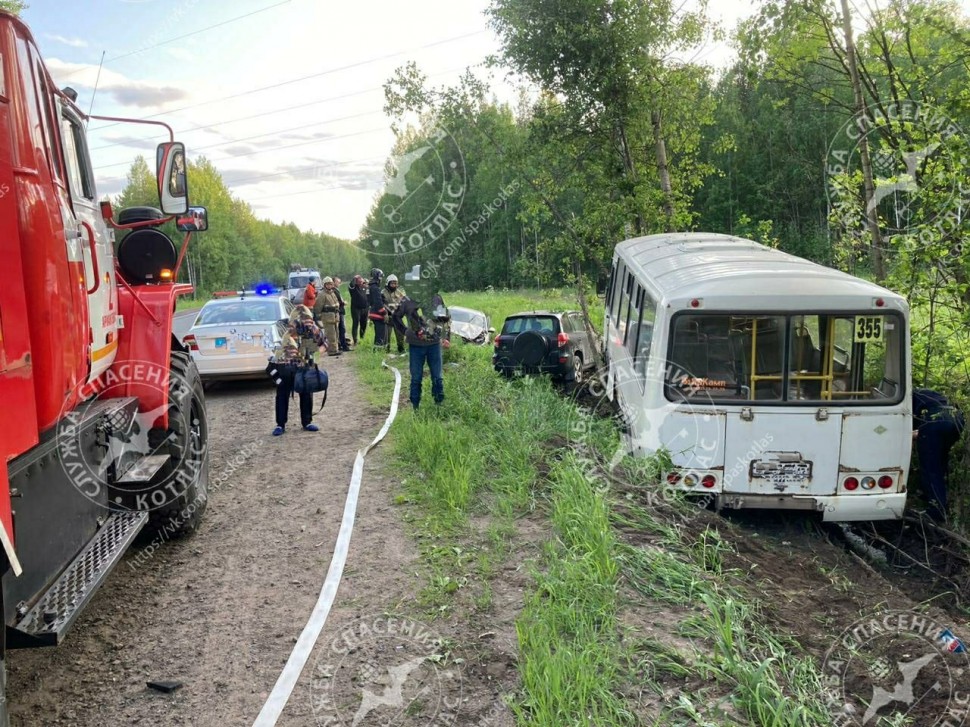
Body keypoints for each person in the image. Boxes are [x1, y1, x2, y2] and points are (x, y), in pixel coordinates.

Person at [270, 309, 328, 436]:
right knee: (282, 395)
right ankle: (280, 425)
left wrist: (316, 354)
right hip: (285, 367)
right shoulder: (282, 331)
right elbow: (274, 352)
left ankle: (307, 422)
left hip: (305, 367)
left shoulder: (312, 329)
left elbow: (324, 343)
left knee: (306, 393)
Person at [390, 291, 451, 411]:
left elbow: (447, 318)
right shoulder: (407, 300)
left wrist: (446, 337)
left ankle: (439, 405)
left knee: (437, 377)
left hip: (434, 344)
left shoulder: (436, 298)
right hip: (416, 345)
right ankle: (415, 406)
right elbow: (395, 316)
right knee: (416, 378)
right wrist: (405, 331)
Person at [912, 388, 965, 522]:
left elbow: (905, 419)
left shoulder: (907, 395)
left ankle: (936, 511)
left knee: (931, 468)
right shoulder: (931, 394)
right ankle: (934, 496)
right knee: (940, 460)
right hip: (956, 418)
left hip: (936, 421)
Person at [313, 277, 342, 357]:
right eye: (328, 284)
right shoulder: (322, 294)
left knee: (336, 334)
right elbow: (318, 307)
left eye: (331, 284)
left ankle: (335, 349)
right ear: (325, 285)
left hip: (334, 316)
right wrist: (319, 316)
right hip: (327, 317)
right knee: (330, 334)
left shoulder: (332, 293)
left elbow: (336, 302)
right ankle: (332, 351)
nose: (330, 286)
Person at [382, 274, 407, 354]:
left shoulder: (399, 292)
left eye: (395, 283)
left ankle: (401, 348)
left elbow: (404, 301)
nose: (394, 285)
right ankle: (387, 350)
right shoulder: (383, 292)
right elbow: (383, 304)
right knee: (387, 335)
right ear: (388, 283)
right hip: (388, 317)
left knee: (400, 334)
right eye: (392, 283)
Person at [368, 268, 388, 349]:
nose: (381, 279)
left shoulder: (370, 286)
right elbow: (378, 302)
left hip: (373, 312)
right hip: (378, 314)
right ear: (377, 276)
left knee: (378, 333)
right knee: (380, 335)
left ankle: (378, 350)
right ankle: (378, 351)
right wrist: (384, 313)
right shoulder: (375, 288)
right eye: (380, 277)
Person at [348, 274, 369, 346]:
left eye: (362, 282)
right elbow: (351, 284)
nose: (361, 283)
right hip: (356, 309)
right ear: (356, 282)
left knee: (364, 324)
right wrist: (355, 278)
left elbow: (369, 296)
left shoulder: (365, 288)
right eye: (359, 282)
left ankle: (362, 338)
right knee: (356, 324)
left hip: (365, 308)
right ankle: (355, 340)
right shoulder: (353, 288)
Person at [333, 277, 351, 351]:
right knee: (341, 329)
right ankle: (342, 345)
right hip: (339, 311)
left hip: (341, 311)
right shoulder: (334, 291)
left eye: (339, 282)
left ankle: (342, 343)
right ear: (333, 282)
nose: (339, 283)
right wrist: (343, 303)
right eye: (338, 282)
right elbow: (337, 301)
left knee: (341, 329)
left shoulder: (336, 290)